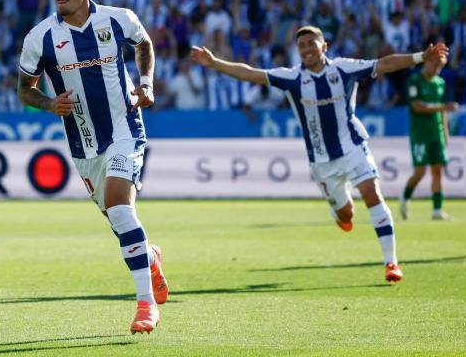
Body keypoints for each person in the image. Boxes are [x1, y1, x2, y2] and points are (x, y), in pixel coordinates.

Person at [190, 25, 449, 283]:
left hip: (353, 147)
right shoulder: (292, 78)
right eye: (301, 45)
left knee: (372, 194)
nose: (306, 49)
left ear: (324, 46)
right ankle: (339, 210)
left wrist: (418, 58)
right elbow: (251, 74)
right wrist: (214, 63)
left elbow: (383, 64)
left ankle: (390, 262)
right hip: (322, 161)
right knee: (347, 216)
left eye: (311, 43)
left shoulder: (343, 69)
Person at [17, 0, 168, 334]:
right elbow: (24, 89)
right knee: (120, 224)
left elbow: (144, 44)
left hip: (124, 130)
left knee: (120, 209)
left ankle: (146, 306)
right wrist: (50, 103)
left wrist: (146, 82)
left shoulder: (118, 20)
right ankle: (149, 256)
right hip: (83, 147)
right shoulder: (40, 38)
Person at [399, 60, 459, 220]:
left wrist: (445, 133)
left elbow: (442, 110)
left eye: (440, 67)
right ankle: (404, 198)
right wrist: (444, 107)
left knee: (438, 170)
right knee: (420, 172)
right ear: (426, 63)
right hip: (420, 134)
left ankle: (437, 210)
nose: (437, 69)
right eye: (434, 65)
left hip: (436, 133)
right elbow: (417, 106)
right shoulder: (414, 81)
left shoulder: (440, 83)